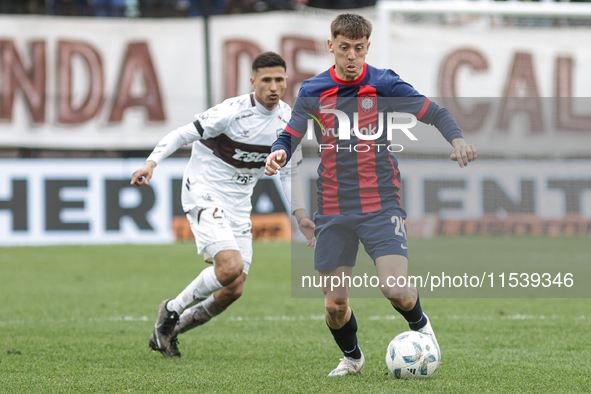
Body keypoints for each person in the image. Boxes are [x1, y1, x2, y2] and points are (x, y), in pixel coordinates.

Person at [265, 13, 477, 376]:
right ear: (330, 46)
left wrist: (457, 139)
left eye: (358, 49)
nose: (351, 57)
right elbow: (290, 133)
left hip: (380, 204)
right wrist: (279, 150)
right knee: (334, 305)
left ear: (367, 47)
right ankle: (352, 358)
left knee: (395, 289)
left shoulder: (385, 84)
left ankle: (422, 330)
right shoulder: (313, 91)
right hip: (332, 208)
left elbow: (435, 112)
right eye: (344, 48)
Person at [131, 51, 315, 358]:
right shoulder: (231, 112)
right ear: (253, 81)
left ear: (287, 82)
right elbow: (182, 134)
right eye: (266, 80)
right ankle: (170, 310)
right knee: (230, 266)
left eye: (279, 80)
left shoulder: (289, 122)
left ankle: (168, 331)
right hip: (203, 189)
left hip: (239, 203)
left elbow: (289, 171)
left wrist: (300, 215)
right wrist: (151, 163)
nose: (273, 86)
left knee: (234, 288)